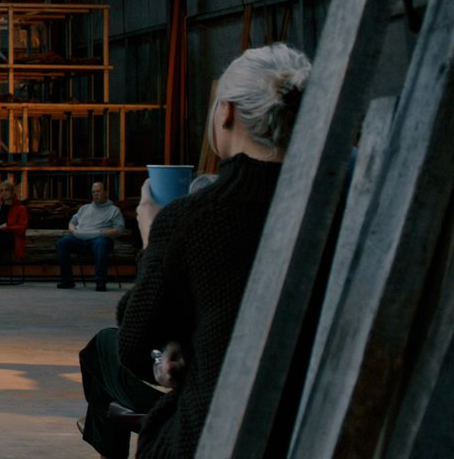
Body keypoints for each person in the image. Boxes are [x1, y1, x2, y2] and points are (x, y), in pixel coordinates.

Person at [86, 43, 310, 459]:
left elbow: (135, 343)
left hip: (213, 435)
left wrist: (153, 243)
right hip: (313, 424)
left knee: (103, 350)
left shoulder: (194, 219)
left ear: (226, 113)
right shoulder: (342, 205)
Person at [56, 181, 126, 292]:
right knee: (62, 243)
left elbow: (119, 229)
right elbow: (72, 222)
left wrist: (101, 233)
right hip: (80, 237)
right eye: (93, 192)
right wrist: (73, 230)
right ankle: (67, 281)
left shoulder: (114, 210)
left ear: (105, 193)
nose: (95, 194)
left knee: (101, 244)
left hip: (99, 238)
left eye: (98, 191)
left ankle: (100, 281)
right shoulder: (84, 208)